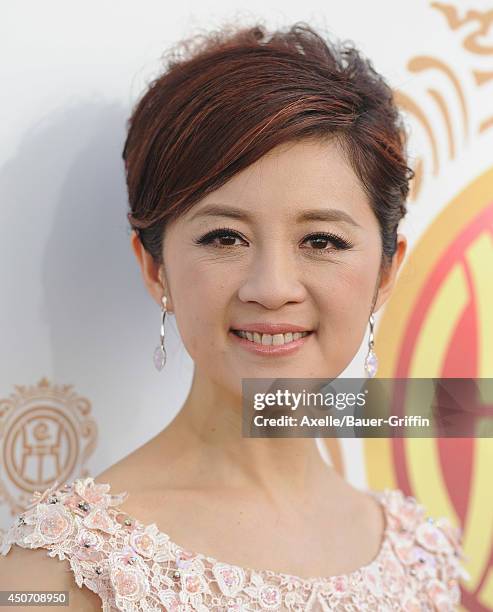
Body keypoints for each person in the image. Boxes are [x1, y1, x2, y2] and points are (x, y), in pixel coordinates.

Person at [0, 21, 468, 611]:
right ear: (155, 268)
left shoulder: (419, 558)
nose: (272, 289)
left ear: (384, 274)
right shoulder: (58, 574)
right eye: (225, 236)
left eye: (321, 241)